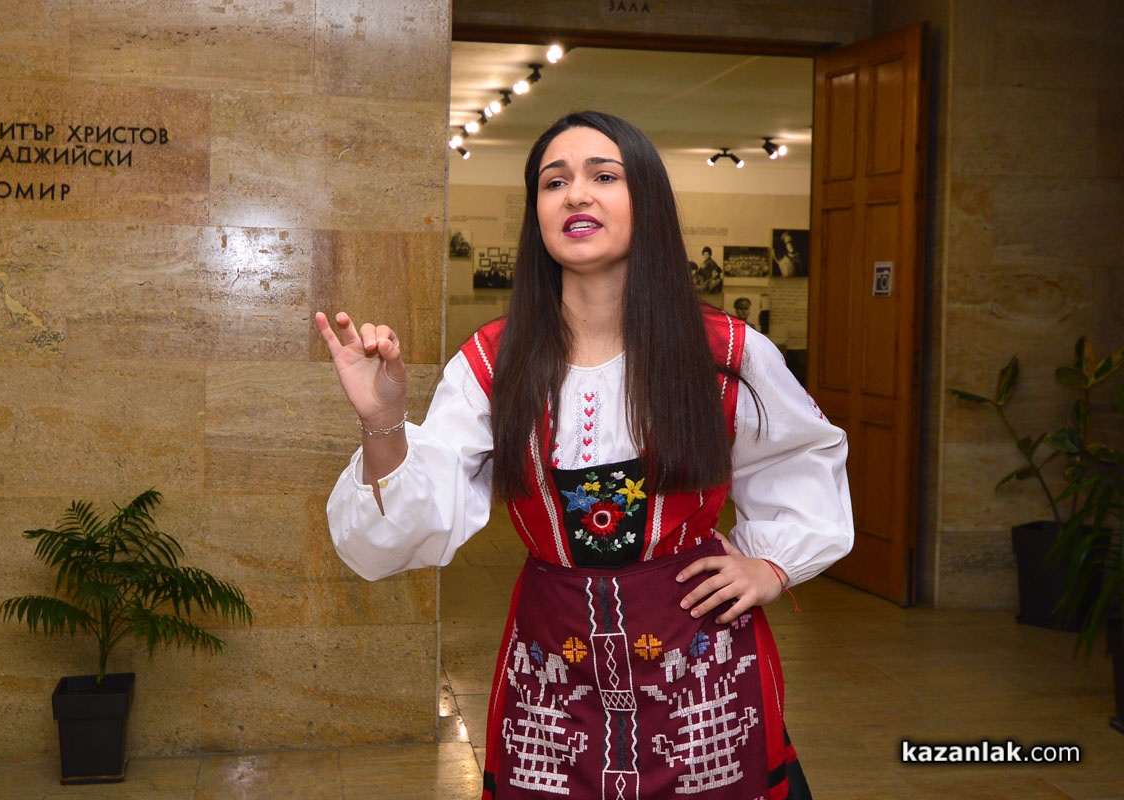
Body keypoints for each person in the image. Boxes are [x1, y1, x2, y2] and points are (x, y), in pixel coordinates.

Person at [316, 111, 853, 800]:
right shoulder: (492, 362)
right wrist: (384, 421)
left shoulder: (724, 350)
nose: (575, 194)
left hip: (700, 663)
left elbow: (802, 460)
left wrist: (773, 562)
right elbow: (407, 528)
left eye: (603, 176)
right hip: (554, 666)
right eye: (554, 182)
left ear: (646, 201)